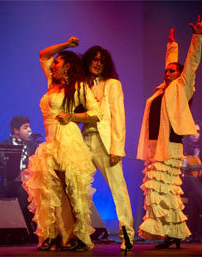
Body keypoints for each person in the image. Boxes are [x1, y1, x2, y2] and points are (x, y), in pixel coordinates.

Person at [136, 16, 202, 249]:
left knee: (167, 190)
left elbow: (191, 63)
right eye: (165, 71)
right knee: (155, 190)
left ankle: (174, 233)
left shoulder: (183, 87)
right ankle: (167, 232)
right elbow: (171, 62)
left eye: (171, 71)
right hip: (153, 145)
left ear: (179, 75)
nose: (167, 73)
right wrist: (171, 46)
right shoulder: (160, 91)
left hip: (169, 146)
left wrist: (196, 36)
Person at [22, 37, 102, 251]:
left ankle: (79, 236)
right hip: (51, 143)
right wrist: (66, 45)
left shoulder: (79, 87)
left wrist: (73, 117)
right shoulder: (51, 82)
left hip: (68, 140)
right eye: (54, 63)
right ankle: (52, 235)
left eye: (58, 62)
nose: (53, 65)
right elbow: (43, 54)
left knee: (74, 191)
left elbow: (96, 113)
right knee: (50, 191)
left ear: (67, 66)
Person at [81, 46, 134, 251]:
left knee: (118, 189)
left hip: (106, 142)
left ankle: (127, 234)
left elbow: (119, 117)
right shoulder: (83, 85)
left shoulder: (112, 84)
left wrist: (117, 148)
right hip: (86, 140)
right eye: (94, 59)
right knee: (79, 188)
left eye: (101, 60)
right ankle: (81, 232)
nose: (97, 63)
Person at [0, 115, 38, 242]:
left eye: (29, 127)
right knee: (23, 192)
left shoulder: (32, 146)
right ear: (16, 130)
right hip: (9, 185)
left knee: (34, 192)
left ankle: (26, 230)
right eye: (25, 127)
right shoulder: (4, 145)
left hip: (29, 185)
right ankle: (22, 230)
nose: (30, 130)